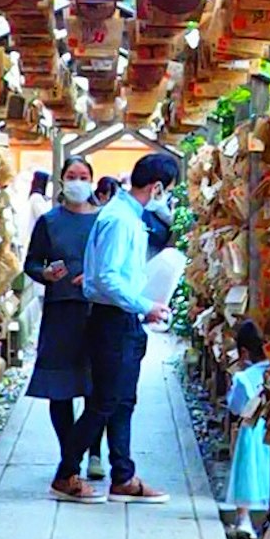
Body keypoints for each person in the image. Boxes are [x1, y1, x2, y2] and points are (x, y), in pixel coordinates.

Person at [80, 147, 173, 500]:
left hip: (123, 319)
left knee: (122, 402)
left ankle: (123, 476)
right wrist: (145, 304)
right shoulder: (120, 219)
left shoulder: (127, 216)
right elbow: (107, 279)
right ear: (157, 188)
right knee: (106, 402)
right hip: (113, 319)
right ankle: (66, 471)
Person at [25, 165, 101, 495]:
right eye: (72, 176)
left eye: (84, 176)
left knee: (96, 386)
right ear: (62, 181)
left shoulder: (102, 221)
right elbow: (31, 262)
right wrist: (45, 275)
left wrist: (97, 279)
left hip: (96, 310)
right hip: (60, 310)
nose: (78, 182)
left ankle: (91, 452)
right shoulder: (49, 222)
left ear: (93, 181)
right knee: (60, 387)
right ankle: (68, 454)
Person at [222, 336, 270, 539]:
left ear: (244, 352)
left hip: (251, 428)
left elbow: (235, 406)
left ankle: (244, 519)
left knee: (247, 472)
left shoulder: (243, 378)